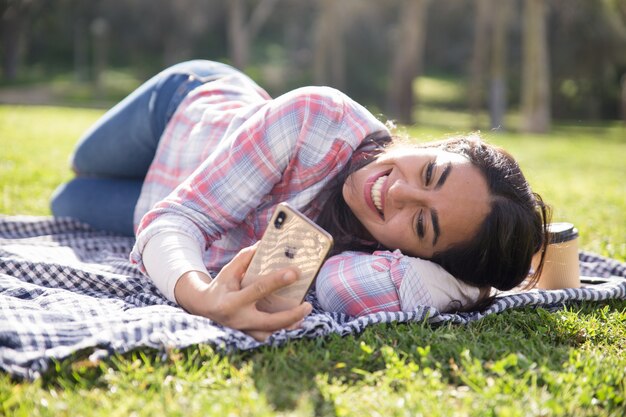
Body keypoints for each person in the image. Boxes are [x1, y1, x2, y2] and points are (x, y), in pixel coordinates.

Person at [51, 60, 549, 341]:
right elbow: (181, 218)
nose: (397, 191)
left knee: (64, 202)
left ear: (420, 255)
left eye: (422, 225)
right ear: (433, 144)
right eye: (430, 171)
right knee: (82, 162)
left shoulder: (376, 261)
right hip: (184, 112)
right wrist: (203, 296)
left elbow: (446, 285)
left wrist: (473, 284)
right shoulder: (317, 119)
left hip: (150, 200)